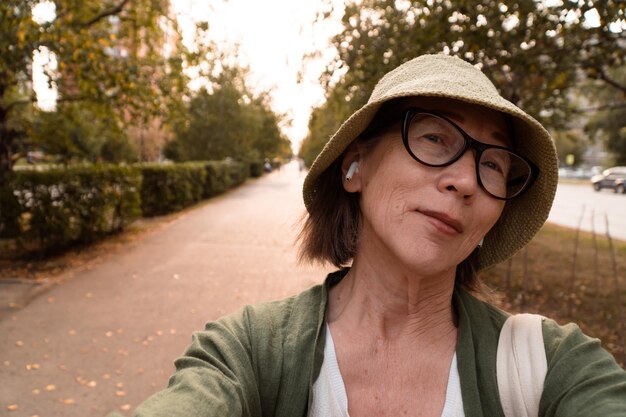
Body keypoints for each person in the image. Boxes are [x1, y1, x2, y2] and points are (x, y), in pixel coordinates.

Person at [127, 54, 626, 416]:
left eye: (493, 164)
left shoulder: (551, 364)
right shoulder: (250, 351)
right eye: (434, 138)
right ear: (355, 167)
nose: (468, 181)